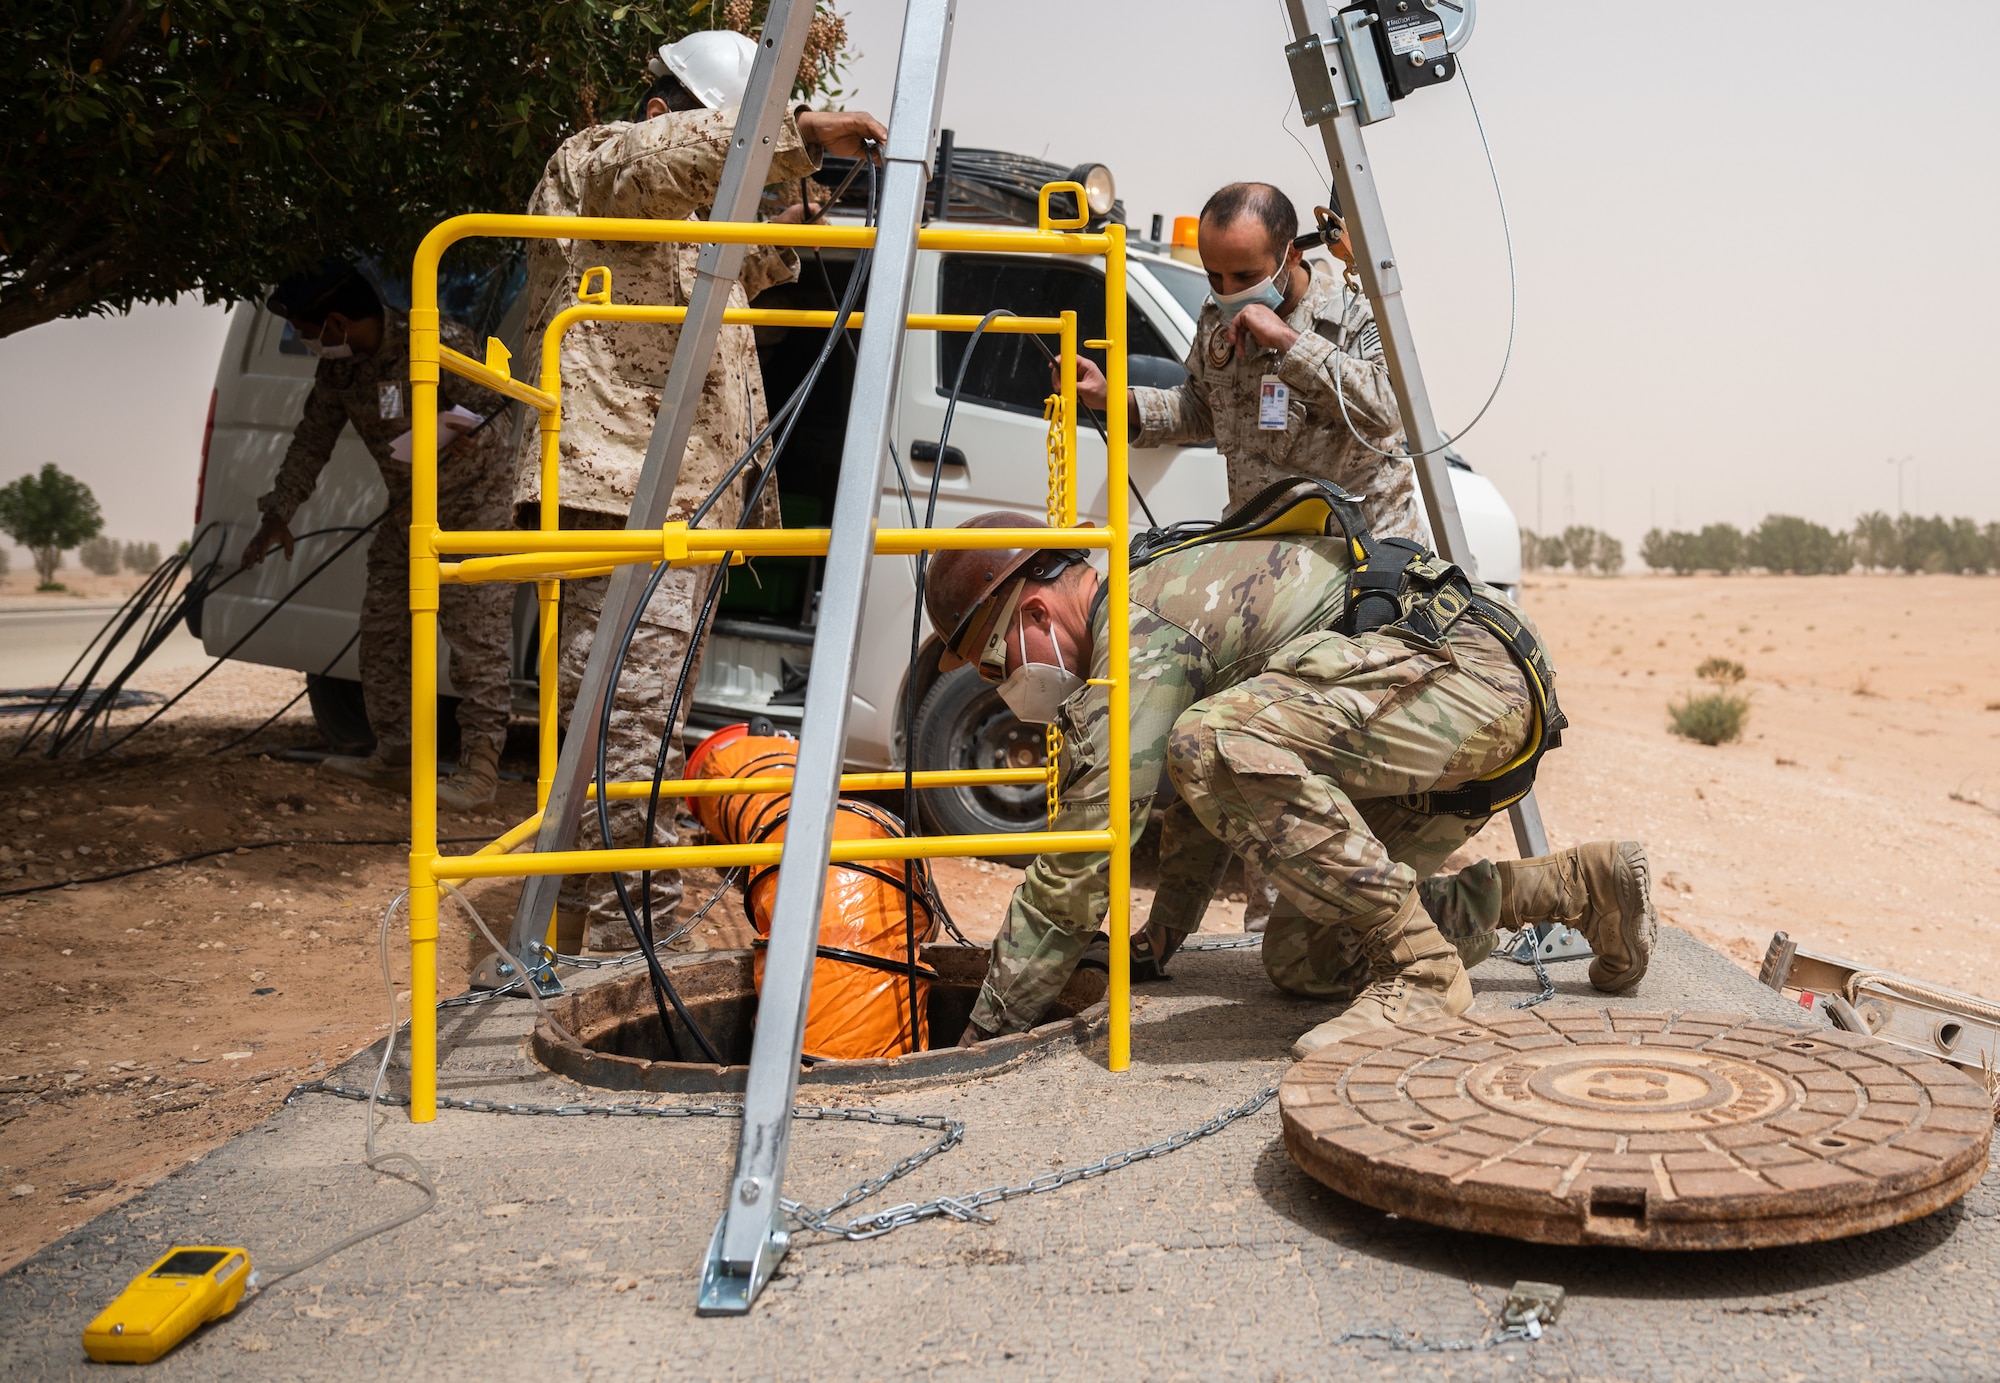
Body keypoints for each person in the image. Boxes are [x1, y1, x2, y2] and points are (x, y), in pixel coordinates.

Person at [923, 483, 1656, 1057]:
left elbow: (1084, 853)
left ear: (1039, 614)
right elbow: (1195, 811)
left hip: (1471, 676)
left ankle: (1422, 971)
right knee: (1304, 955)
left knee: (1211, 741)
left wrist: (985, 1033)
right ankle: (1581, 885)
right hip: (1438, 706)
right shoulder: (1147, 623)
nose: (1004, 686)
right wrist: (1163, 937)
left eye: (996, 661)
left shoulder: (1141, 627)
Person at [514, 29, 885, 951]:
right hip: (619, 490)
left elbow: (745, 253)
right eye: (735, 135)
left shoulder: (686, 231)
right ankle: (625, 943)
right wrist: (797, 130)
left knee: (645, 721)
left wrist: (796, 204)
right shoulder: (596, 160)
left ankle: (608, 920)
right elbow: (665, 161)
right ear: (661, 107)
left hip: (682, 501)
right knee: (627, 728)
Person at [241, 261, 514, 811]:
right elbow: (311, 439)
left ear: (337, 322)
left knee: (476, 637)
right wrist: (278, 513)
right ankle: (396, 752)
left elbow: (506, 406)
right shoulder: (341, 371)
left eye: (306, 329)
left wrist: (465, 433)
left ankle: (479, 769)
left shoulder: (435, 341)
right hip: (411, 508)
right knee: (384, 622)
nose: (305, 341)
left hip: (477, 505)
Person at [1074, 181, 1423, 543]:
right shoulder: (1216, 317)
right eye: (1214, 276)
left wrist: (1289, 341)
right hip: (1264, 546)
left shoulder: (1353, 315)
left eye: (1245, 277)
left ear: (1291, 255)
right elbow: (1201, 408)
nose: (1228, 291)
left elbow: (1389, 414)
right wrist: (1111, 397)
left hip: (1359, 552)